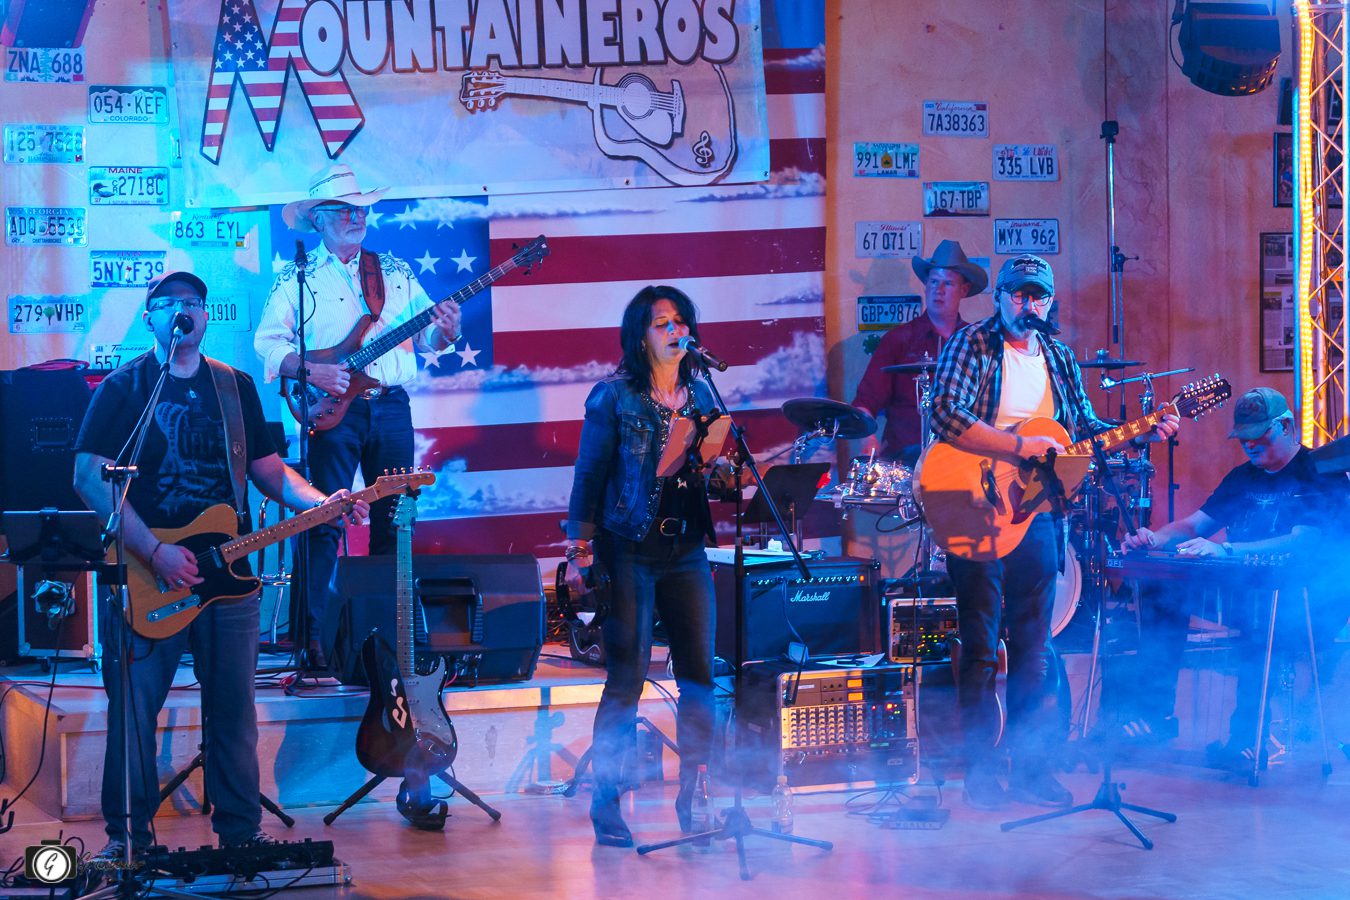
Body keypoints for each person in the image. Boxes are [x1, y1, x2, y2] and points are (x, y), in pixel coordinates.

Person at [73, 272, 370, 862]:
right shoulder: (124, 388)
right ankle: (127, 841)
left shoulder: (233, 387)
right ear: (150, 318)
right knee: (134, 710)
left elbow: (268, 470)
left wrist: (321, 502)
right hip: (148, 573)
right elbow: (89, 476)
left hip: (227, 578)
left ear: (207, 317)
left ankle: (240, 834)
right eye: (169, 304)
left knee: (234, 712)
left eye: (194, 303)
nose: (183, 311)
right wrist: (154, 550)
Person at [927, 254, 1180, 810]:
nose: (1028, 305)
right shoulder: (972, 346)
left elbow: (1084, 430)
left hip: (1038, 514)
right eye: (1018, 295)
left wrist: (1139, 434)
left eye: (1038, 296)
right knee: (979, 646)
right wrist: (1020, 446)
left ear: (1049, 303)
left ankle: (1032, 769)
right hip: (974, 506)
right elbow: (944, 415)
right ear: (999, 298)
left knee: (1035, 647)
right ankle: (980, 772)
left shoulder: (1060, 358)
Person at [255, 165, 460, 667]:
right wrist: (313, 373)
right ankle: (316, 641)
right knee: (323, 517)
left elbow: (429, 336)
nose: (357, 215)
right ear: (320, 219)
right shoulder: (296, 278)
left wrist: (447, 331)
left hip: (391, 405)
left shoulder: (394, 270)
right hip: (333, 413)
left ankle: (388, 637)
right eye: (345, 209)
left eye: (361, 207)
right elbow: (266, 343)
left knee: (395, 520)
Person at [564, 285, 720, 847]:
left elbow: (703, 478)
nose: (675, 331)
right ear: (641, 335)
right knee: (626, 679)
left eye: (681, 321)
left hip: (687, 554)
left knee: (700, 677)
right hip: (628, 550)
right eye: (662, 323)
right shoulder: (614, 397)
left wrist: (725, 472)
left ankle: (695, 796)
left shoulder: (702, 392)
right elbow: (588, 476)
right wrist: (579, 551)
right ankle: (607, 802)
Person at [1120, 387, 1349, 767]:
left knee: (1263, 628)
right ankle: (1153, 715)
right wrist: (1156, 538)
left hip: (1305, 599)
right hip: (1248, 589)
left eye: (1261, 435)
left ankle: (1248, 741)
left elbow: (1303, 543)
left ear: (1287, 426)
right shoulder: (1243, 477)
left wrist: (1225, 550)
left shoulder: (1320, 472)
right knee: (1162, 592)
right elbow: (1196, 525)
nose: (1251, 445)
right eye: (1244, 438)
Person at [853, 239, 986, 463]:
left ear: (964, 290)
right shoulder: (898, 340)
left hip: (964, 461)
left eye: (948, 284)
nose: (938, 290)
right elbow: (865, 401)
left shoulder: (976, 342)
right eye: (933, 282)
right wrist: (868, 440)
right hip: (905, 460)